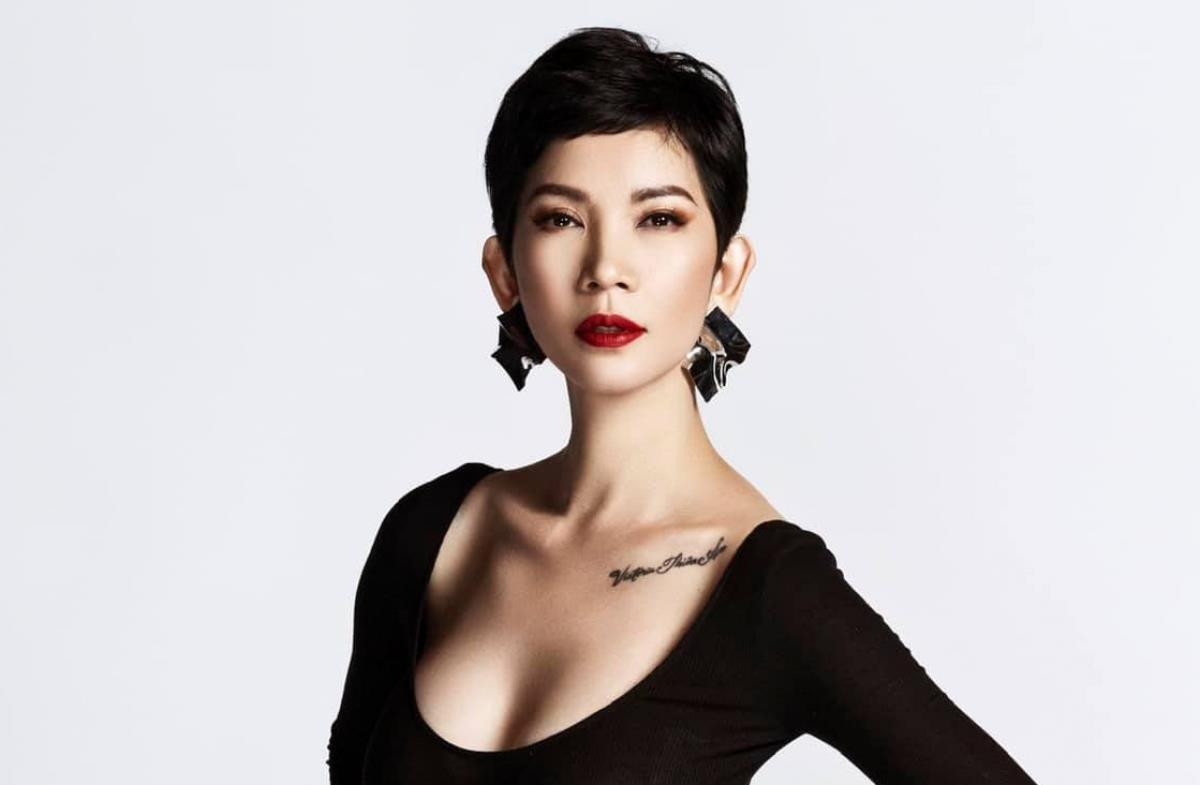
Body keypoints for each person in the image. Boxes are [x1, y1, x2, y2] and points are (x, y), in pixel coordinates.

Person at [326, 26, 1039, 784]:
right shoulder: (435, 532)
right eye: (561, 218)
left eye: (658, 218)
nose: (607, 268)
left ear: (726, 272)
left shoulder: (767, 589)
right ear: (505, 272)